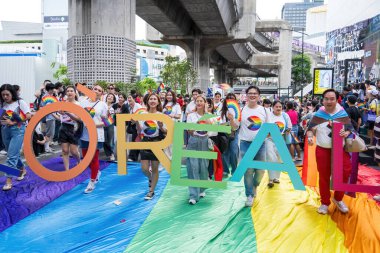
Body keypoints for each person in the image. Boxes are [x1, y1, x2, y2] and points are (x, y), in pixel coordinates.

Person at [306, 89, 354, 215]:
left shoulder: (342, 113)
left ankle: (338, 198)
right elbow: (310, 129)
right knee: (324, 176)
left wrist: (347, 132)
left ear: (337, 99)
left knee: (345, 173)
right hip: (323, 149)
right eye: (326, 99)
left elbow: (350, 129)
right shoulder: (319, 114)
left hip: (340, 149)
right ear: (323, 100)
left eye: (332, 98)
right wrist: (310, 137)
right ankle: (325, 202)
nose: (329, 101)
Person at [238, 86, 269, 207]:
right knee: (248, 170)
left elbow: (268, 126)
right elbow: (235, 127)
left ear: (258, 96)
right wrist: (232, 120)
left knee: (260, 170)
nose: (252, 95)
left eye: (255, 93)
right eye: (250, 93)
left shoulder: (264, 110)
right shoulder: (241, 110)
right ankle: (249, 195)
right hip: (245, 143)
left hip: (260, 144)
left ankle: (255, 185)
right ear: (246, 95)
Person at [1, 84, 31, 190]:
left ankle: (8, 181)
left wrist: (13, 122)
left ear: (12, 94)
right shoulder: (2, 104)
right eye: (3, 95)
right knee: (12, 153)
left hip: (18, 130)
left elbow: (28, 116)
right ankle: (22, 169)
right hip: (4, 130)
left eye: (7, 94)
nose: (5, 97)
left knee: (11, 157)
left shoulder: (20, 102)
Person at [137, 93, 166, 200]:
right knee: (144, 168)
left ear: (158, 102)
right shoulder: (143, 114)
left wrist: (161, 126)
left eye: (155, 99)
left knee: (155, 168)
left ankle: (151, 191)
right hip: (145, 142)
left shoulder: (161, 115)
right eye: (151, 99)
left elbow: (166, 132)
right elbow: (140, 130)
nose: (153, 101)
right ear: (147, 101)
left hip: (157, 142)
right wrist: (136, 123)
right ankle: (150, 178)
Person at [80, 85, 108, 194]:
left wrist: (94, 125)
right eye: (95, 89)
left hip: (97, 135)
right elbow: (78, 116)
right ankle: (96, 172)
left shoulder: (102, 105)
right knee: (86, 159)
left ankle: (92, 182)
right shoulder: (83, 102)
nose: (96, 91)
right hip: (84, 134)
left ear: (101, 94)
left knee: (94, 158)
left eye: (99, 90)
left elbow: (107, 121)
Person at [186, 95, 212, 205]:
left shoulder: (209, 115)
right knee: (193, 167)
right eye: (197, 101)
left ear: (205, 103)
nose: (199, 103)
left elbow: (212, 129)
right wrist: (196, 125)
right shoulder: (191, 115)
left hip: (205, 141)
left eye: (201, 101)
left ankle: (202, 189)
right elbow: (190, 130)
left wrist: (206, 117)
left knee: (203, 167)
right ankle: (193, 195)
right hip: (194, 140)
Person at [53, 85, 81, 171]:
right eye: (68, 91)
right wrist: (53, 113)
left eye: (71, 91)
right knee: (65, 151)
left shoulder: (78, 105)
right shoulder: (63, 103)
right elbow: (60, 118)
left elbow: (78, 119)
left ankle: (79, 162)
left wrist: (68, 112)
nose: (69, 92)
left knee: (74, 151)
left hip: (74, 128)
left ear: (75, 93)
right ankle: (67, 170)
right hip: (63, 127)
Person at [267, 100, 292, 187]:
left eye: (280, 107)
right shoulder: (269, 116)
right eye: (276, 106)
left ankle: (276, 177)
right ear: (273, 107)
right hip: (269, 139)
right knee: (271, 158)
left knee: (278, 158)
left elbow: (289, 127)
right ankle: (270, 179)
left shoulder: (285, 115)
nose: (278, 108)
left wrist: (286, 131)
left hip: (280, 139)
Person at [220, 93, 240, 176]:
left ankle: (234, 170)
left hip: (234, 133)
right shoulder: (221, 111)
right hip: (224, 134)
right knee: (224, 152)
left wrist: (231, 120)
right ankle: (225, 170)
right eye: (228, 98)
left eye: (232, 98)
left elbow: (236, 126)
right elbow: (219, 124)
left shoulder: (238, 111)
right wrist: (227, 123)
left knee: (234, 151)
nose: (230, 100)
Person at [40, 82, 58, 153]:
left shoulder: (50, 96)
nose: (53, 90)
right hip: (49, 117)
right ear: (49, 89)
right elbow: (44, 107)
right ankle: (46, 147)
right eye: (52, 89)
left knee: (49, 133)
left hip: (50, 117)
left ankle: (47, 147)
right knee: (48, 133)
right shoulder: (45, 97)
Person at [127, 93, 142, 162]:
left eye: (130, 98)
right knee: (135, 141)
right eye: (128, 98)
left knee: (136, 141)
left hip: (139, 127)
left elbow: (141, 116)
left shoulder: (138, 106)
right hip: (134, 127)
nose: (129, 99)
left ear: (134, 99)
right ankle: (133, 157)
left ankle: (133, 157)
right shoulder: (130, 107)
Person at [104, 93, 117, 161]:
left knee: (110, 140)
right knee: (104, 140)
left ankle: (111, 154)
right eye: (108, 96)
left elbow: (112, 118)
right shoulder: (102, 105)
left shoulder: (114, 106)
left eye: (111, 97)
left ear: (113, 99)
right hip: (102, 124)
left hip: (110, 124)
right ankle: (108, 153)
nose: (109, 97)